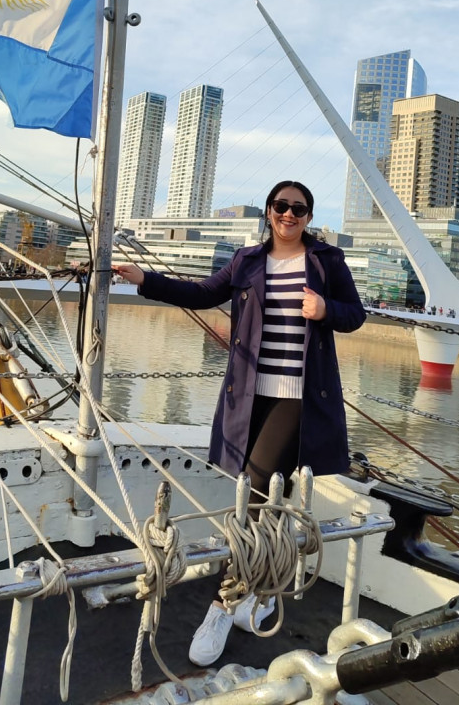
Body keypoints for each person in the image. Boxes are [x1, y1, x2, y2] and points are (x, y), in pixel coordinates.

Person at [114, 180, 366, 666]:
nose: (289, 215)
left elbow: (355, 315)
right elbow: (203, 293)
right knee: (269, 487)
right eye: (281, 206)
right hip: (251, 395)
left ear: (308, 217)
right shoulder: (248, 260)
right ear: (269, 212)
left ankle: (225, 602)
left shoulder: (326, 262)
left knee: (252, 483)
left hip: (299, 396)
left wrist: (325, 310)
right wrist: (144, 279)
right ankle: (264, 587)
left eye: (299, 208)